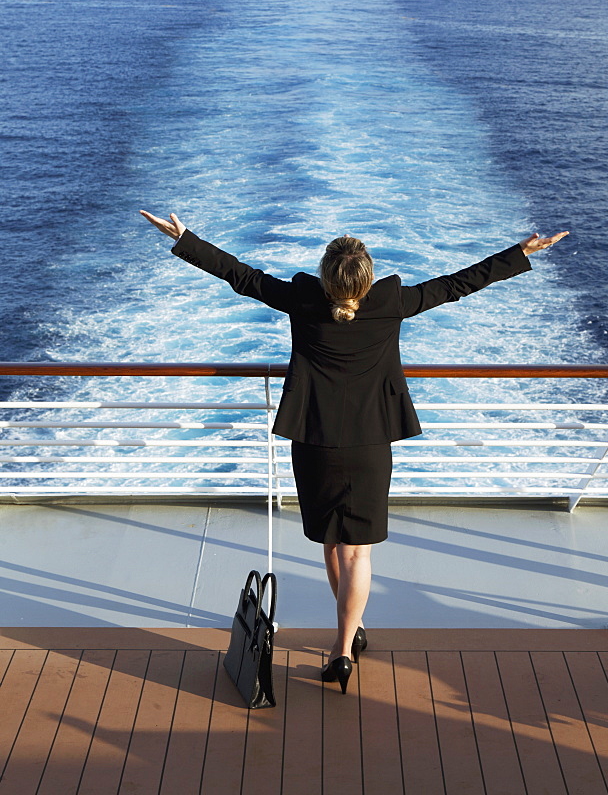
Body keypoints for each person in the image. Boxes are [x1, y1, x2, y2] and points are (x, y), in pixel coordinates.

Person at [140, 209, 568, 693]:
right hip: (369, 445)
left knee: (331, 541)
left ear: (325, 277)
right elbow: (456, 285)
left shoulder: (303, 299)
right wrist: (520, 254)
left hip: (316, 441)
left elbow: (243, 277)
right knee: (359, 552)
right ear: (367, 278)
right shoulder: (389, 302)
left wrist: (186, 238)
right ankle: (344, 648)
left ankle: (350, 630)